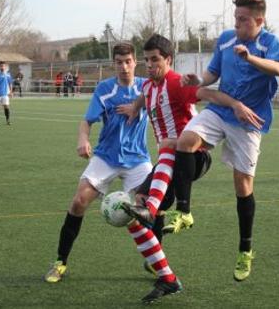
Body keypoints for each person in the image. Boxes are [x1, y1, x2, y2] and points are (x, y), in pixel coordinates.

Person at [43, 42, 182, 304]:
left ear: (135, 62)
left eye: (128, 61)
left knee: (154, 208)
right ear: (113, 63)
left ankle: (155, 262)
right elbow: (87, 121)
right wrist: (82, 140)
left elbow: (169, 91)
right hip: (106, 157)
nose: (124, 66)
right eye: (119, 62)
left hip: (138, 159)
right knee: (78, 201)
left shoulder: (147, 85)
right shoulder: (105, 89)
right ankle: (60, 262)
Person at [172, 0, 279, 282]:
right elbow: (212, 74)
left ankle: (245, 249)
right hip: (221, 110)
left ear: (259, 20)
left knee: (242, 186)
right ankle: (184, 211)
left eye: (243, 20)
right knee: (185, 141)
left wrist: (251, 57)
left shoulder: (269, 43)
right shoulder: (225, 38)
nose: (237, 24)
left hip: (249, 121)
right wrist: (198, 80)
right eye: (235, 18)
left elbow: (278, 69)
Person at [118, 34, 263, 236]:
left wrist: (235, 104)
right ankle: (157, 263)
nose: (149, 65)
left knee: (156, 191)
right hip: (167, 160)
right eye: (147, 60)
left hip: (193, 156)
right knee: (141, 197)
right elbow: (145, 95)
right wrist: (135, 107)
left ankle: (162, 211)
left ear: (168, 59)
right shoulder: (148, 86)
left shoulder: (177, 83)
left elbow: (208, 94)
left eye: (155, 59)